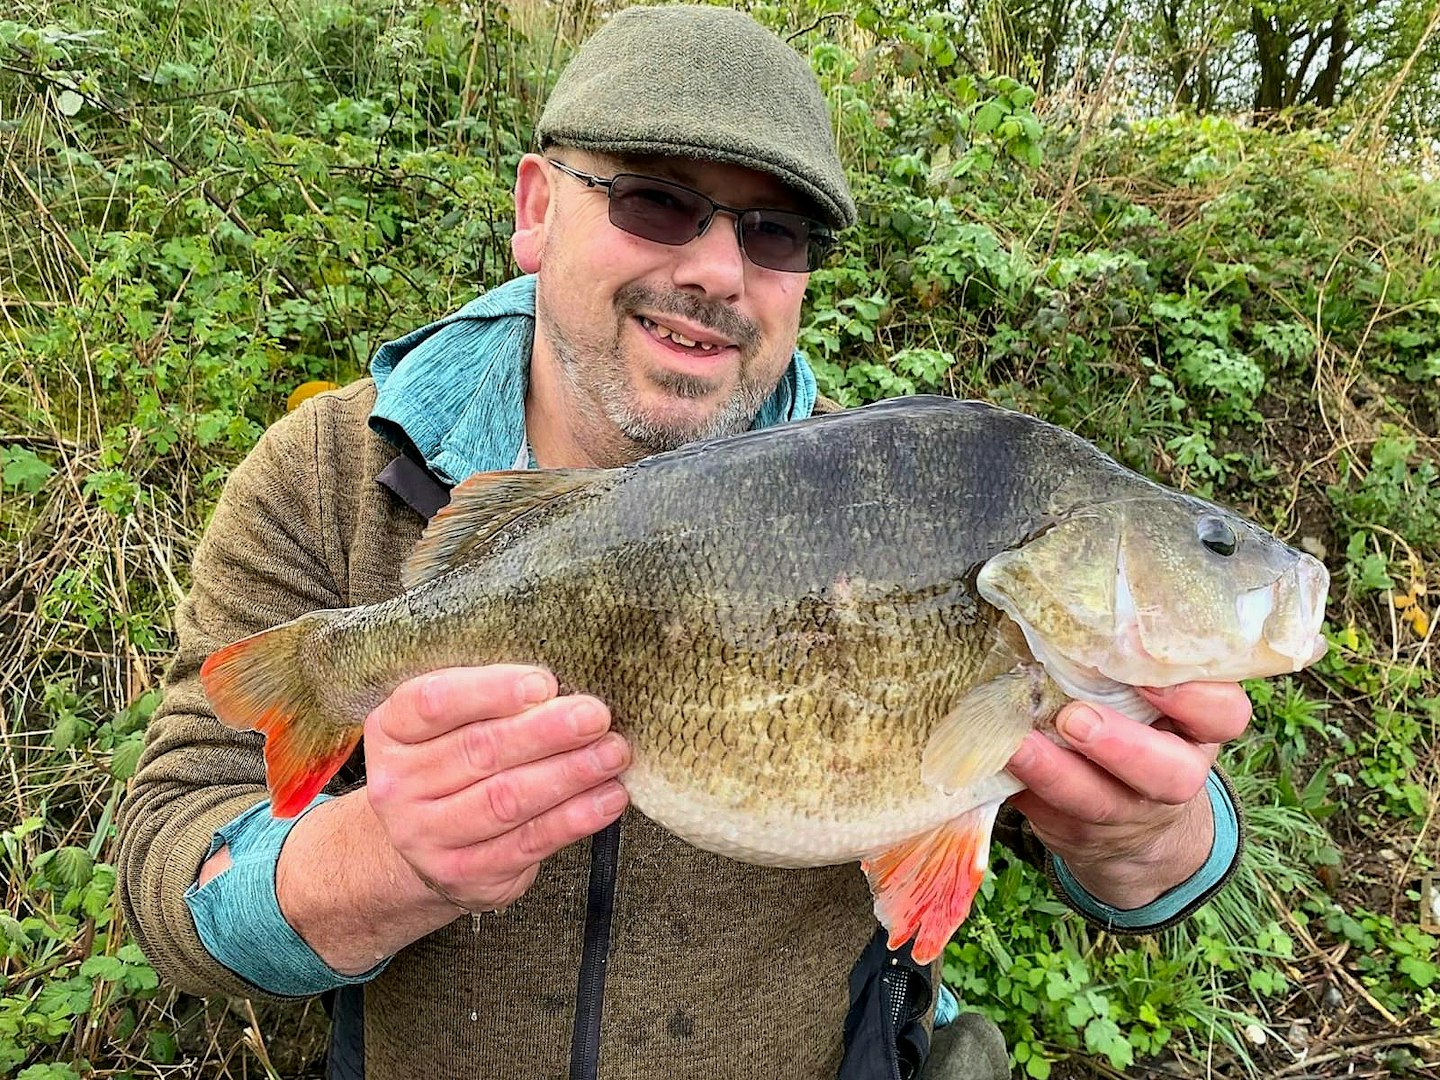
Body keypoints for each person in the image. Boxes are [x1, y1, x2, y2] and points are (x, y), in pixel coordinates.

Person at [116, 7, 1252, 1079]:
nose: (716, 270)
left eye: (774, 232)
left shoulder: (907, 504)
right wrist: (370, 863)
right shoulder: (326, 473)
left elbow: (1151, 876)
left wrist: (1146, 837)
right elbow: (168, 861)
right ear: (536, 209)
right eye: (657, 201)